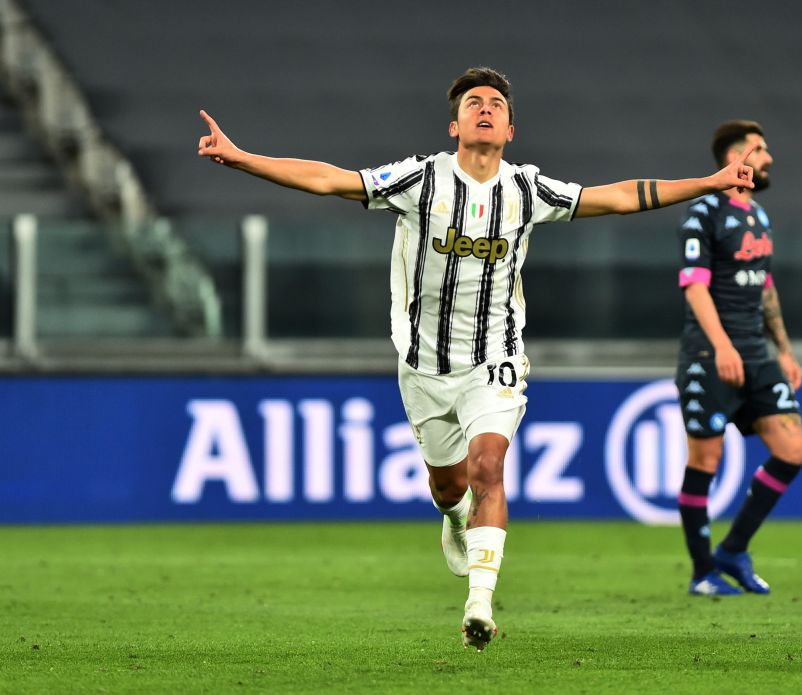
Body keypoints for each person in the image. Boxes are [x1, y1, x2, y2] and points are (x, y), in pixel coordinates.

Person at [197, 67, 754, 649]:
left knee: (489, 466)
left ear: (511, 129)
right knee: (448, 486)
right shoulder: (419, 180)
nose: (484, 109)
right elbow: (330, 180)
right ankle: (453, 517)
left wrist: (708, 182)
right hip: (424, 365)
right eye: (473, 103)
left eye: (495, 104)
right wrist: (243, 159)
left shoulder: (526, 190)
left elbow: (615, 197)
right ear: (454, 124)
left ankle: (480, 606)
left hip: (496, 357)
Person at [673, 120, 802, 596]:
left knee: (793, 450)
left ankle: (733, 549)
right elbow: (694, 285)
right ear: (736, 156)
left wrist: (785, 351)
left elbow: (765, 286)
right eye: (760, 149)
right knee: (706, 459)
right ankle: (702, 572)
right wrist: (722, 346)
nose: (769, 158)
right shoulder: (704, 212)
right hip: (710, 354)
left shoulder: (759, 216)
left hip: (756, 351)